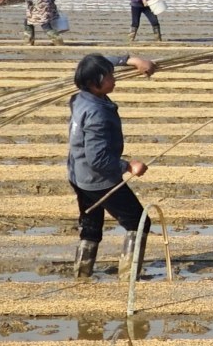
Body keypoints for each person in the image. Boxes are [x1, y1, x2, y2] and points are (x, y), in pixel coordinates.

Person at [67, 52, 160, 278]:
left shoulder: (79, 98)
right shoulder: (97, 114)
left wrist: (135, 60)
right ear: (94, 83)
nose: (114, 79)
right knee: (138, 223)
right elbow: (97, 159)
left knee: (91, 227)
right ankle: (128, 278)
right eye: (108, 76)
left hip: (78, 175)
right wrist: (128, 166)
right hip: (99, 179)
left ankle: (82, 275)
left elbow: (101, 60)